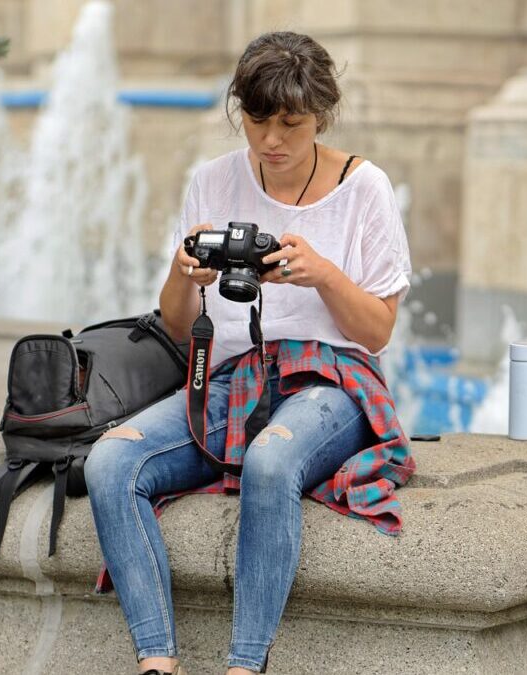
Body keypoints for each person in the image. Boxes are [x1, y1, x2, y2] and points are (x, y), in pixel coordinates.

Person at [84, 31, 415, 675]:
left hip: (332, 384)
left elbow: (376, 332)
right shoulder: (212, 179)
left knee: (270, 460)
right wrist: (185, 273)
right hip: (230, 380)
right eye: (258, 121)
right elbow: (179, 328)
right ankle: (156, 660)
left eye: (290, 124)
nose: (271, 140)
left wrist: (322, 273)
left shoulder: (364, 187)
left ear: (321, 114)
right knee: (110, 462)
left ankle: (246, 664)